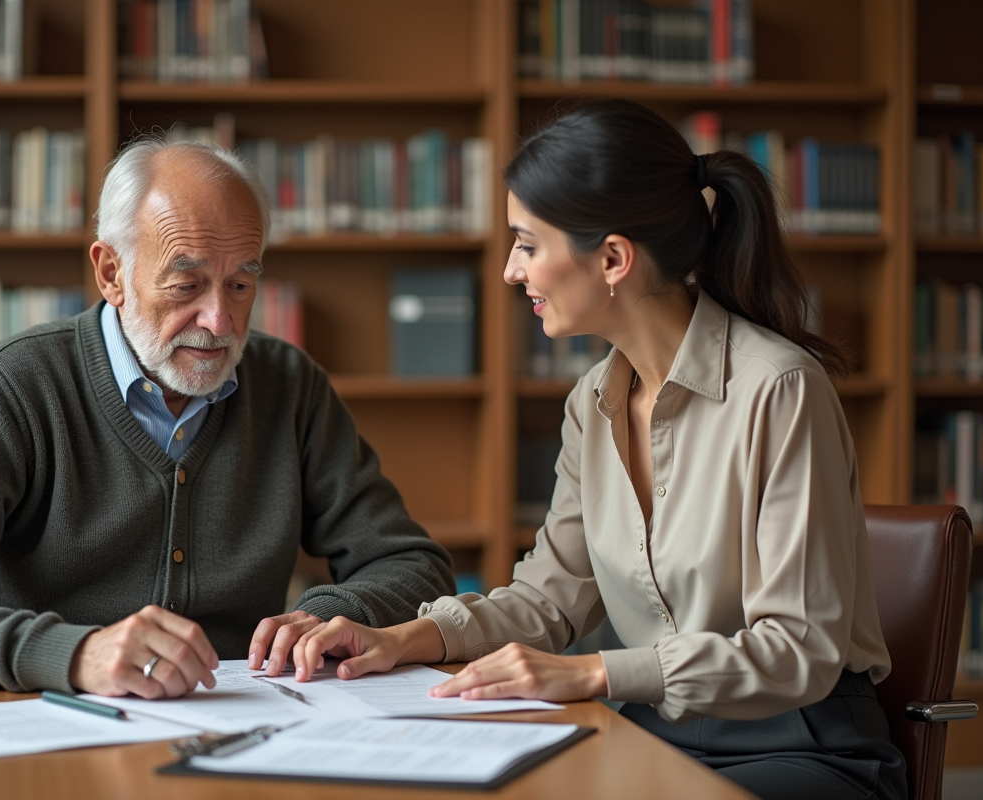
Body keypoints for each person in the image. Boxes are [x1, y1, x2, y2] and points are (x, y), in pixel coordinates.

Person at [290, 100, 907, 800]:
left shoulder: (781, 390)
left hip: (805, 745)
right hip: (656, 736)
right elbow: (549, 599)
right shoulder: (592, 403)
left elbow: (801, 650)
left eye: (527, 245)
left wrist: (594, 674)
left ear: (612, 258)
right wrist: (403, 640)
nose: (509, 272)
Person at [0, 135, 454, 699]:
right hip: (60, 733)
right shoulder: (14, 386)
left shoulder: (290, 387)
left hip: (246, 727)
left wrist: (328, 615)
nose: (219, 321)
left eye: (240, 286)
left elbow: (415, 567)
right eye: (186, 285)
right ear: (112, 272)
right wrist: (75, 653)